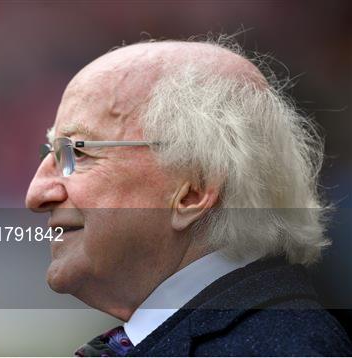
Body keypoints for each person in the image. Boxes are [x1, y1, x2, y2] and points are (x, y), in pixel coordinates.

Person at [25, 38, 352, 356]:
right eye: (52, 153)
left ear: (192, 191)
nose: (36, 194)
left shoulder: (281, 348)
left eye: (77, 152)